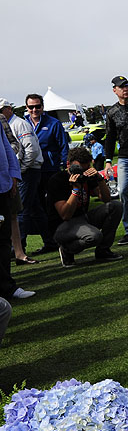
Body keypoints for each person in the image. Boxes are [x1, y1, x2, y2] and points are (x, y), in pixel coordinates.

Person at [46, 146, 122, 267]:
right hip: (62, 226)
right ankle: (67, 249)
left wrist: (100, 179)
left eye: (85, 168)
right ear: (68, 164)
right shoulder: (57, 180)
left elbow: (107, 200)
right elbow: (65, 215)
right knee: (94, 236)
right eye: (78, 168)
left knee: (115, 206)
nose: (81, 172)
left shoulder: (86, 176)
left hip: (83, 219)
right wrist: (75, 190)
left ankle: (103, 250)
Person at [24, 93, 69, 254]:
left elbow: (64, 146)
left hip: (51, 170)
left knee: (53, 206)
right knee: (35, 208)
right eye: (31, 107)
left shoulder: (53, 123)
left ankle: (60, 239)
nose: (35, 109)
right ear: (26, 108)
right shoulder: (24, 124)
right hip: (31, 171)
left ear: (43, 107)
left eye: (38, 106)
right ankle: (48, 241)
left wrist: (64, 166)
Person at [103, 75, 128, 246]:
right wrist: (107, 160)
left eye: (127, 85)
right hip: (125, 157)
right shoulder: (112, 112)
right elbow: (110, 137)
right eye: (121, 87)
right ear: (115, 90)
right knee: (124, 192)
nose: (125, 89)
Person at [0, 99, 40, 265]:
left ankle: (18, 253)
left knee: (13, 215)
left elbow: (13, 144)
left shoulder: (4, 120)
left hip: (8, 175)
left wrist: (13, 168)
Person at [0, 130, 34, 299]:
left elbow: (7, 147)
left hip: (3, 187)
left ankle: (7, 288)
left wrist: (13, 174)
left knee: (4, 240)